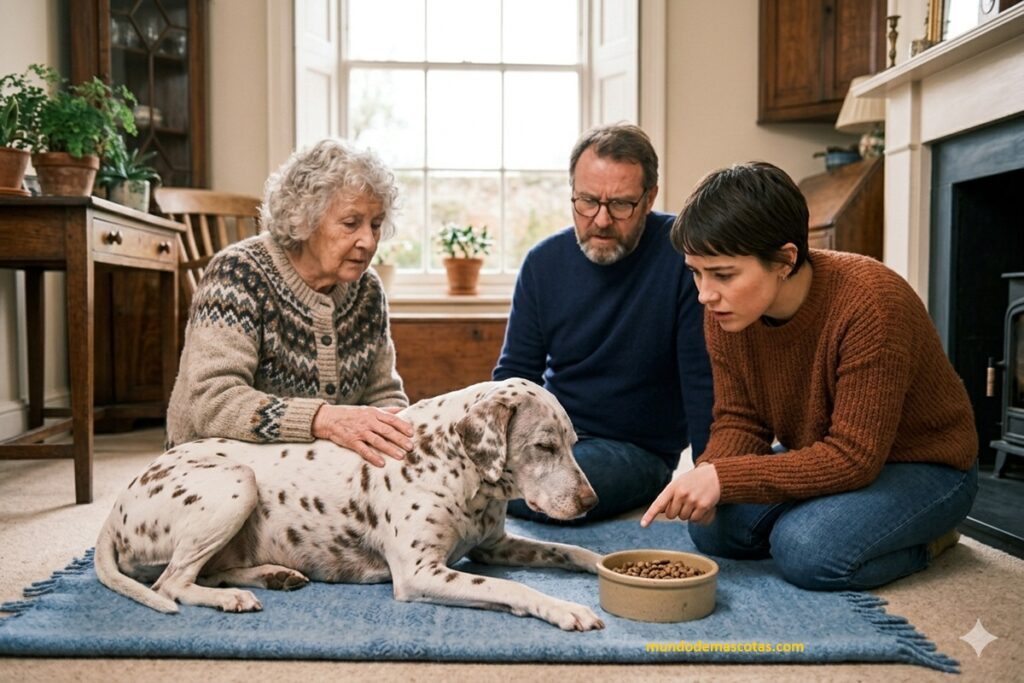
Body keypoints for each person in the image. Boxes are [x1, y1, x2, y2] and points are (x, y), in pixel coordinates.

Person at [642, 161, 978, 590]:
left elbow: (854, 458)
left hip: (929, 467)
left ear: (784, 260)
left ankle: (932, 540)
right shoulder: (725, 311)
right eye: (696, 271)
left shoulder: (872, 304)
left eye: (723, 274)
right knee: (713, 529)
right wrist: (707, 471)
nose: (705, 293)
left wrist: (725, 478)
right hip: (832, 454)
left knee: (807, 551)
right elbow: (740, 421)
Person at [493, 123, 714, 523]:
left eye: (621, 205)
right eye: (587, 201)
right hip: (552, 435)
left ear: (649, 199)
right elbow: (514, 377)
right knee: (468, 470)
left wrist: (710, 472)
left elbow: (702, 379)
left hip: (634, 451)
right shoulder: (543, 263)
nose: (601, 219)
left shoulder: (683, 259)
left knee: (543, 495)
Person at [166, 138, 414, 467]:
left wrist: (392, 429)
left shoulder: (367, 291)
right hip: (214, 466)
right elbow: (213, 402)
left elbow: (383, 393)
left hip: (308, 473)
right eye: (351, 223)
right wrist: (323, 419)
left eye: (376, 225)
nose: (368, 241)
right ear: (304, 219)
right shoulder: (237, 275)